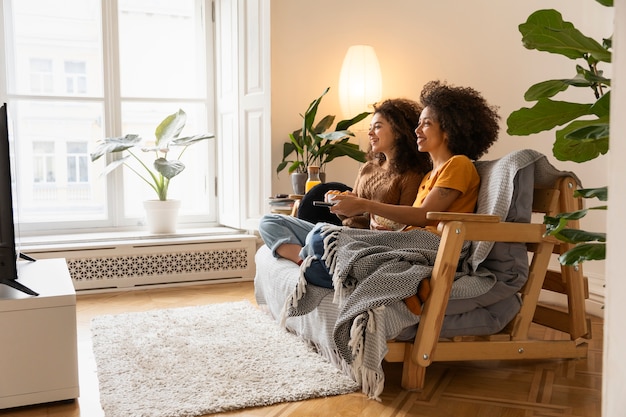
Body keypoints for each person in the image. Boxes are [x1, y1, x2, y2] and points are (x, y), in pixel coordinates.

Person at [303, 80, 501, 288]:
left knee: (320, 238)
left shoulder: (458, 164)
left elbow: (425, 216)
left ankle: (360, 279)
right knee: (318, 244)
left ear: (448, 130)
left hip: (432, 246)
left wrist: (365, 205)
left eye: (426, 124)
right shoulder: (429, 176)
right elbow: (413, 221)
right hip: (410, 241)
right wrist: (377, 222)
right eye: (418, 124)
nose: (417, 130)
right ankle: (357, 278)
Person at [259, 98, 431, 265]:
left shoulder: (411, 174)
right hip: (344, 232)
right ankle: (303, 261)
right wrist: (339, 203)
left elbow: (406, 225)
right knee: (269, 222)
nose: (370, 133)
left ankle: (318, 255)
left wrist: (364, 207)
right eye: (370, 127)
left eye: (377, 127)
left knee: (318, 235)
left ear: (399, 131)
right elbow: (352, 213)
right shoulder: (368, 168)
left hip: (367, 242)